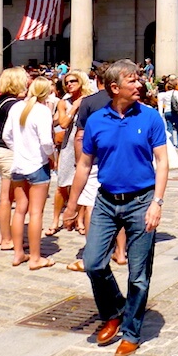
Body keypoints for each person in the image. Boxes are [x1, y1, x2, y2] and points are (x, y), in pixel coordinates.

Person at [63, 59, 168, 356]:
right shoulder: (97, 120)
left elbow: (161, 162)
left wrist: (157, 203)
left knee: (138, 275)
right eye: (132, 81)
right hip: (106, 201)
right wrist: (71, 206)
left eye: (139, 79)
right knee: (94, 263)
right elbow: (84, 165)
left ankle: (132, 331)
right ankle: (114, 312)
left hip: (142, 201)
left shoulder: (150, 117)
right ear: (114, 87)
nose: (140, 85)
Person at [67, 63, 127, 272]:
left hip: (94, 160)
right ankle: (120, 252)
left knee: (93, 204)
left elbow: (80, 136)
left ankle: (95, 251)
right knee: (119, 205)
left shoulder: (89, 101)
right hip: (117, 158)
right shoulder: (120, 100)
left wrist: (79, 162)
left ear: (96, 80)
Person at [3, 76, 56, 270]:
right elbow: (46, 142)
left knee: (19, 210)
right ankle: (35, 257)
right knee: (36, 212)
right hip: (37, 164)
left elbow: (6, 135)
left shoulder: (16, 107)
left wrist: (18, 148)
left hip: (18, 164)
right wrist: (52, 157)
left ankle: (18, 253)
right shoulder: (42, 111)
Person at [47, 70, 95, 236]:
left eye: (73, 81)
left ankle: (80, 219)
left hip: (86, 144)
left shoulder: (90, 100)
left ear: (81, 81)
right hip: (68, 145)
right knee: (62, 183)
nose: (69, 84)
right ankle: (56, 219)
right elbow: (64, 122)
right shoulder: (64, 102)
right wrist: (74, 107)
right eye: (66, 82)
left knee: (83, 183)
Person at [0, 67, 30, 251]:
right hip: (8, 151)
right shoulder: (15, 104)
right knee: (8, 197)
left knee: (6, 196)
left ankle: (4, 235)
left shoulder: (2, 101)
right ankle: (7, 238)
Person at [158, 80, 178, 148]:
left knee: (169, 128)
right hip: (174, 111)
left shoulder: (165, 94)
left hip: (167, 111)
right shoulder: (176, 93)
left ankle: (171, 144)